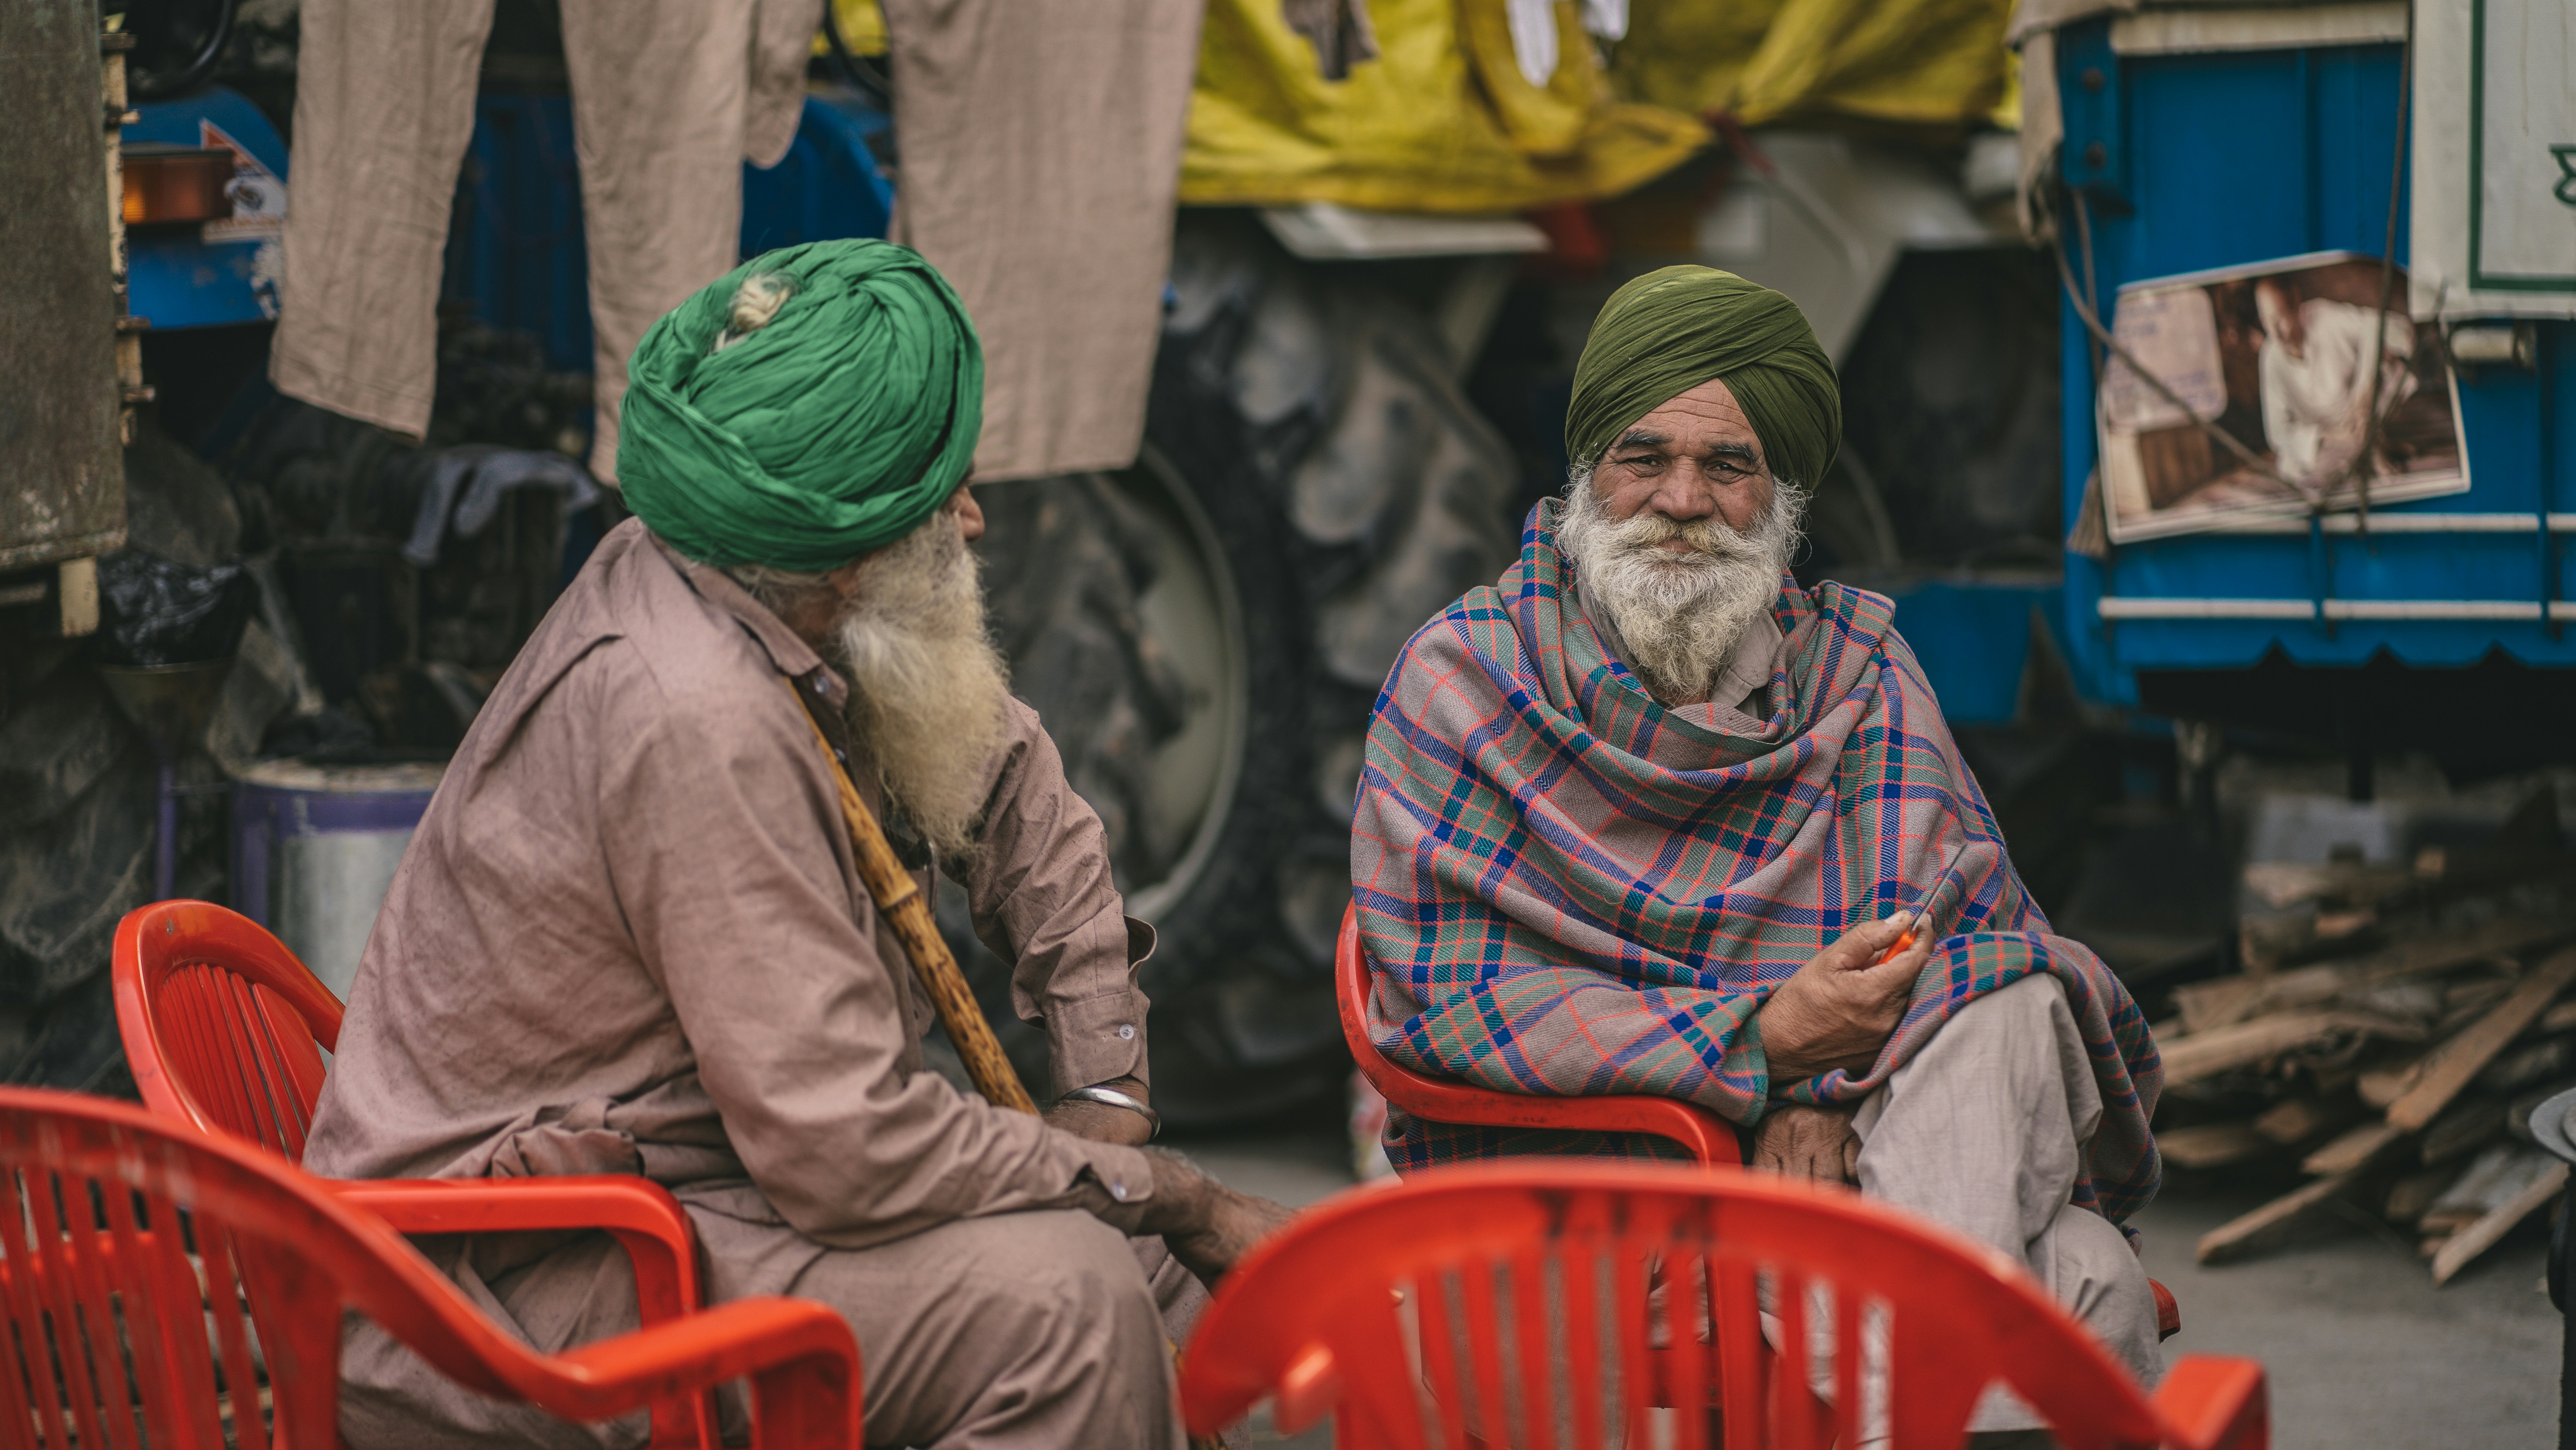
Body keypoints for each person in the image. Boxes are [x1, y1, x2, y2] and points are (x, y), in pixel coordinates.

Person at [303, 238, 1291, 1450]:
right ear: (847, 551)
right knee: (1069, 1303)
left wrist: (1101, 1085)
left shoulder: (766, 587)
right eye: (948, 494)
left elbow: (1017, 789)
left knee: (1163, 1276)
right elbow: (848, 1148)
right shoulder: (692, 713)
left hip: (693, 1193)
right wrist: (1168, 1189)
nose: (974, 520)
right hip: (499, 1286)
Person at [1349, 266, 2165, 1423]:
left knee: (2011, 1003)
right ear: (1587, 469)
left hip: (1862, 1165)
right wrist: (1757, 1048)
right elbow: (1446, 999)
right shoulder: (1462, 682)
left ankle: (1905, 1384)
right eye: (1643, 457)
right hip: (1597, 1211)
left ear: (1780, 493)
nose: (1679, 498)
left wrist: (1823, 1096)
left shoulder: (1855, 675)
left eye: (1727, 466)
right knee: (2085, 1280)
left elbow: (1955, 936)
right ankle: (1917, 1395)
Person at [2253, 275, 2415, 488]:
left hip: (2361, 411)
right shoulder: (2270, 358)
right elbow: (2278, 434)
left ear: (2296, 305)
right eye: (2266, 321)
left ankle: (2369, 442)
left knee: (2386, 357)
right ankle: (2372, 447)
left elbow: (2383, 327)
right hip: (2327, 437)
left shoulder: (2324, 315)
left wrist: (2365, 392)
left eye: (2280, 318)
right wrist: (2334, 437)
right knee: (2297, 467)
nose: (2275, 333)